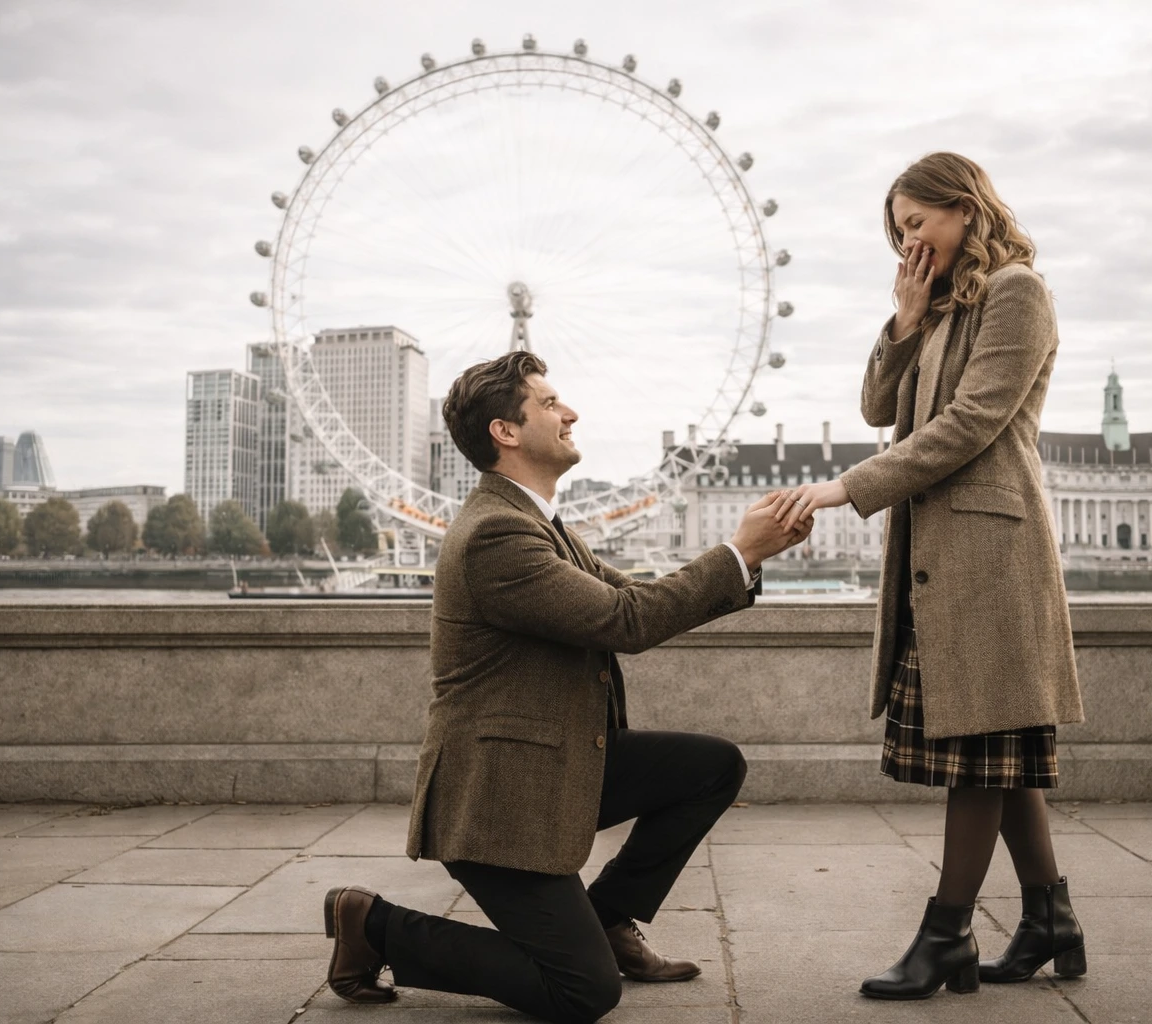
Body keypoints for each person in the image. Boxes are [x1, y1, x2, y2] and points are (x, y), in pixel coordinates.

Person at [324, 351, 810, 1023]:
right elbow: (625, 621)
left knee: (711, 767)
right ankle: (374, 926)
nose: (570, 412)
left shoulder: (539, 524)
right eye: (550, 404)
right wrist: (740, 552)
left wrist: (743, 558)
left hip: (555, 763)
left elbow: (633, 596)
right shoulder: (497, 535)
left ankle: (606, 920)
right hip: (498, 800)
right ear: (507, 431)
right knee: (582, 992)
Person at [774, 152, 1088, 1000]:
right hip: (937, 557)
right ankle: (1049, 918)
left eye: (918, 223)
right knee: (999, 750)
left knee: (976, 752)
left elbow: (974, 421)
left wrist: (849, 487)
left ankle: (946, 934)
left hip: (990, 555)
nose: (908, 242)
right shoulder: (943, 307)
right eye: (898, 232)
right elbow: (881, 407)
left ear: (965, 207)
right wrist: (905, 319)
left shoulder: (1018, 291)